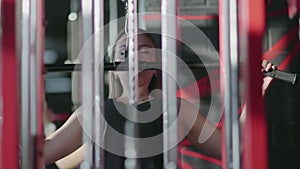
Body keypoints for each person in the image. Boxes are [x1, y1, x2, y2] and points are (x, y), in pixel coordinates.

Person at [44, 30, 277, 168]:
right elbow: (38, 154)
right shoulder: (94, 112)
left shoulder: (176, 109)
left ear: (156, 67)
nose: (133, 57)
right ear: (114, 68)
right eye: (124, 52)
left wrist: (254, 94)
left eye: (143, 49)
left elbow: (235, 150)